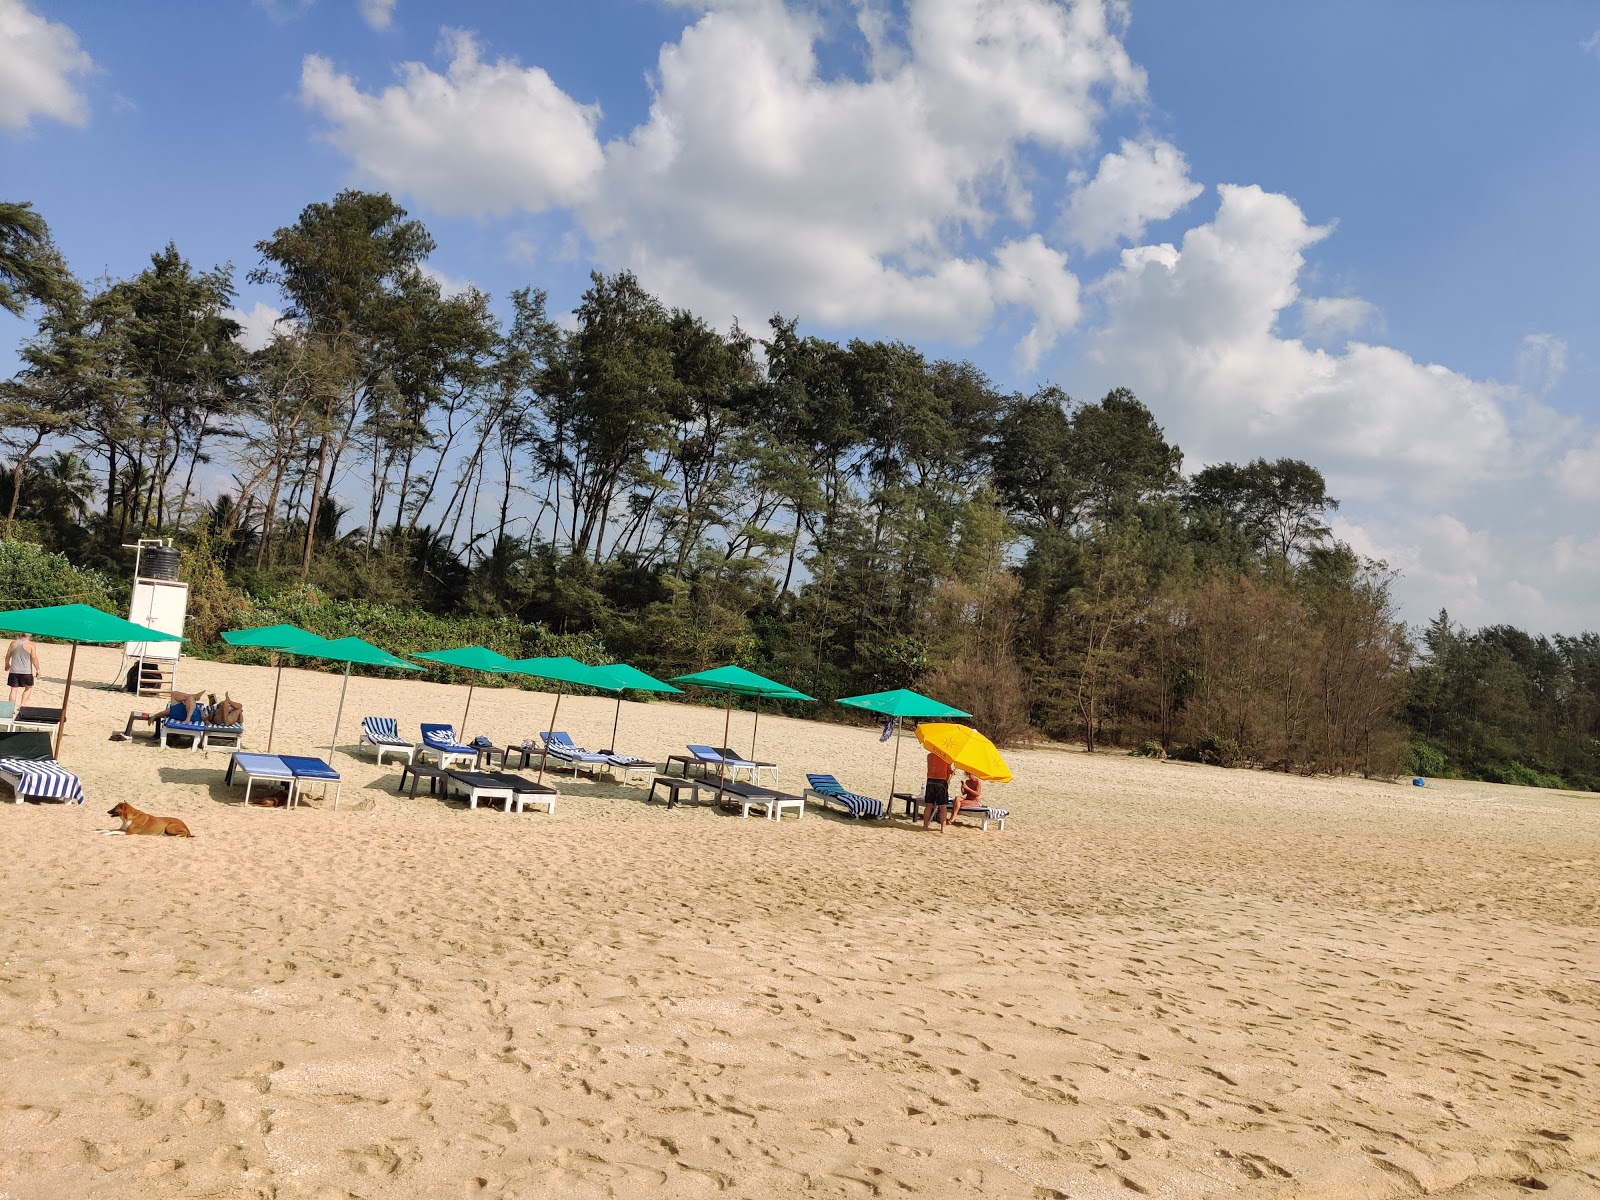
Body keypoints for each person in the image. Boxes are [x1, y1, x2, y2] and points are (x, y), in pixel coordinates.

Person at [7, 632, 42, 707]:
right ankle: (22, 705)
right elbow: (34, 658)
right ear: (29, 636)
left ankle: (10, 708)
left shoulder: (13, 643)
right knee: (28, 688)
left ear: (21, 635)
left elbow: (8, 656)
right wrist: (37, 669)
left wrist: (7, 664)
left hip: (14, 670)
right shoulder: (31, 644)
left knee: (13, 689)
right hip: (26, 671)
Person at [922, 748, 954, 830]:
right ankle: (943, 828)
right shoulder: (947, 757)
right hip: (941, 781)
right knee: (943, 806)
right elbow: (948, 771)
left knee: (929, 805)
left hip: (930, 780)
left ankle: (925, 825)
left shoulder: (929, 756)